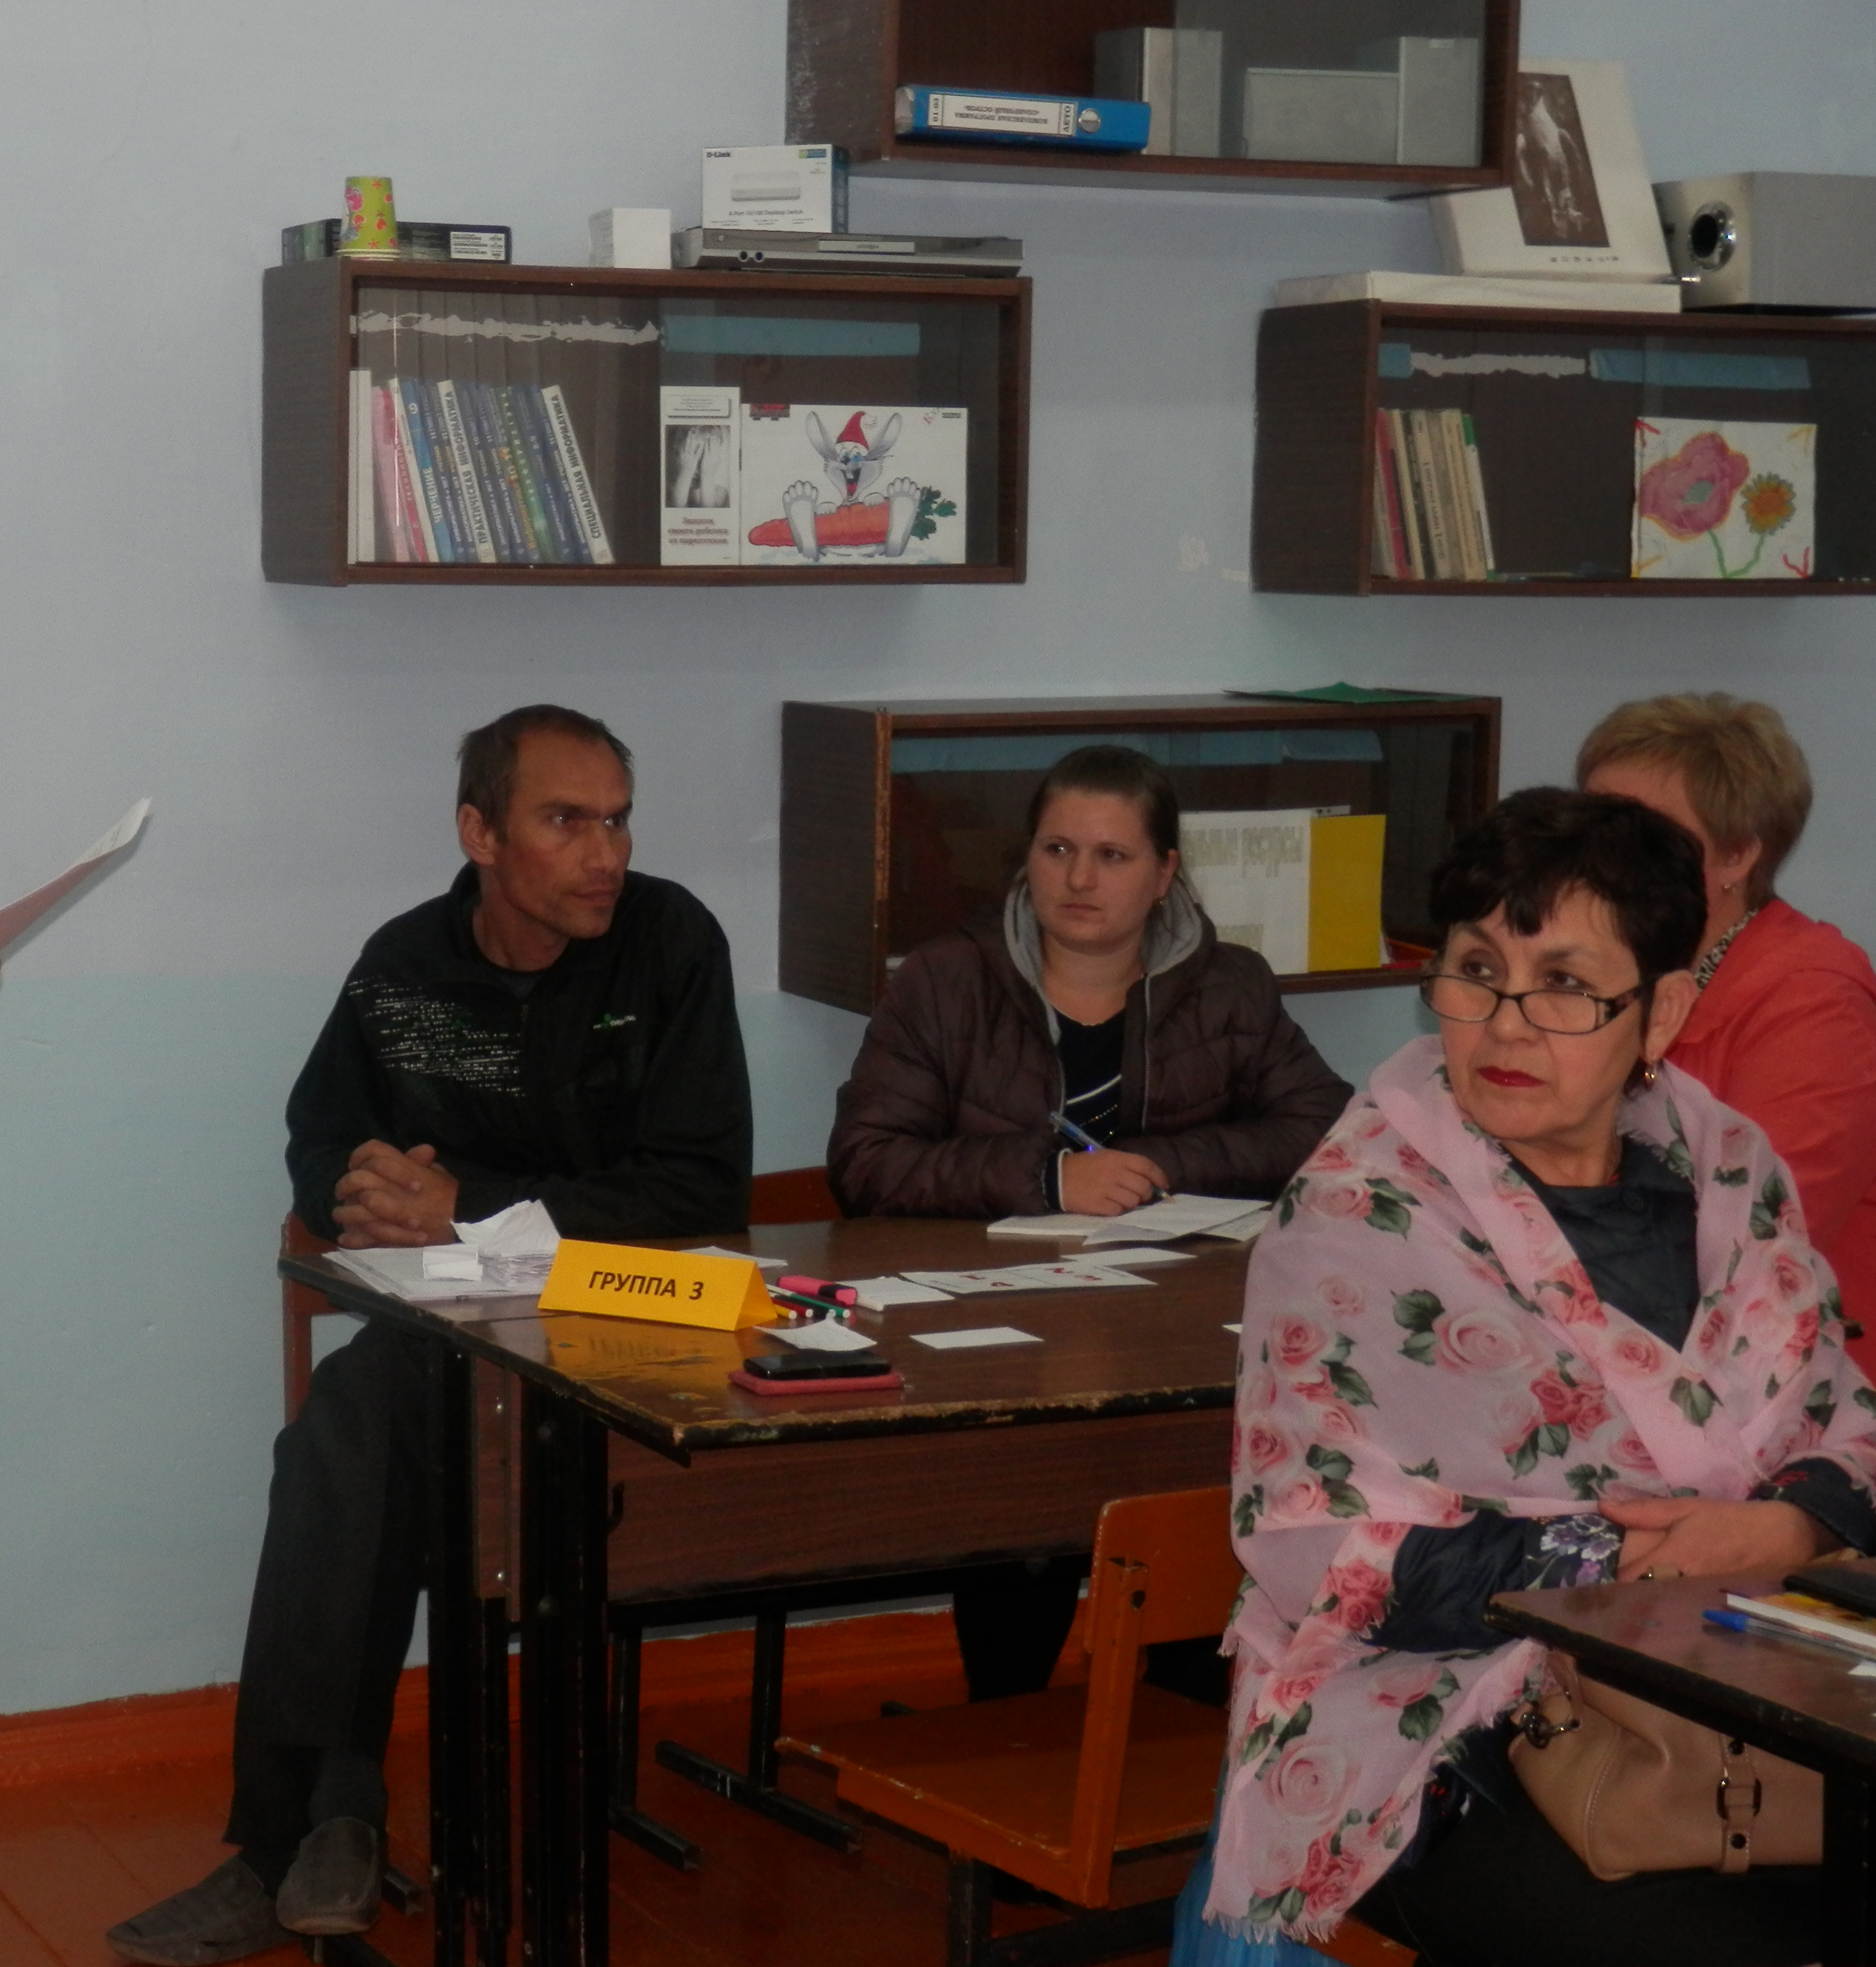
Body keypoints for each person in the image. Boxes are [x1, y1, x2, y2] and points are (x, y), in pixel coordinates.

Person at [106, 705, 752, 1966]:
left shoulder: (668, 944)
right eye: (566, 822)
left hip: (632, 1317)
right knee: (342, 1433)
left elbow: (700, 1187)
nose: (604, 854)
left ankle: (316, 1824)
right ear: (480, 833)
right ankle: (308, 1829)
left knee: (366, 1428)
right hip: (458, 1325)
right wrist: (367, 1190)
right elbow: (321, 1139)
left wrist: (469, 1208)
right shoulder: (406, 971)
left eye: (616, 820)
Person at [1189, 788, 1876, 1967]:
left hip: (1739, 1687)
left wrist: (1780, 1527)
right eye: (1474, 972)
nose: (1504, 1026)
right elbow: (1311, 1543)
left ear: (1660, 1011)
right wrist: (1631, 1563)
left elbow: (1842, 1425)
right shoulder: (1359, 1215)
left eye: (1563, 985)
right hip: (1449, 1718)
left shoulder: (1727, 1174)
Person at [827, 743, 1350, 1700]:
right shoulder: (946, 981)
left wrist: (1164, 1166)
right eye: (1058, 849)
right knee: (1022, 1500)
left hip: (1172, 1327)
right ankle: (1007, 1720)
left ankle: (1179, 1725)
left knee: (1200, 1479)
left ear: (1163, 873)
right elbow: (866, 1162)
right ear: (1026, 858)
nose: (1079, 879)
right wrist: (1049, 1177)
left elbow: (1326, 1128)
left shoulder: (1229, 986)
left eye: (1113, 856)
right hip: (995, 1327)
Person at [1579, 694, 1876, 1368]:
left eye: (1638, 830)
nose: (1594, 853)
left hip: (1790, 1374)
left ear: (1737, 855)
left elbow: (1761, 1241)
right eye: (1590, 819)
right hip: (1636, 1330)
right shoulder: (1615, 962)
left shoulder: (1814, 1000)